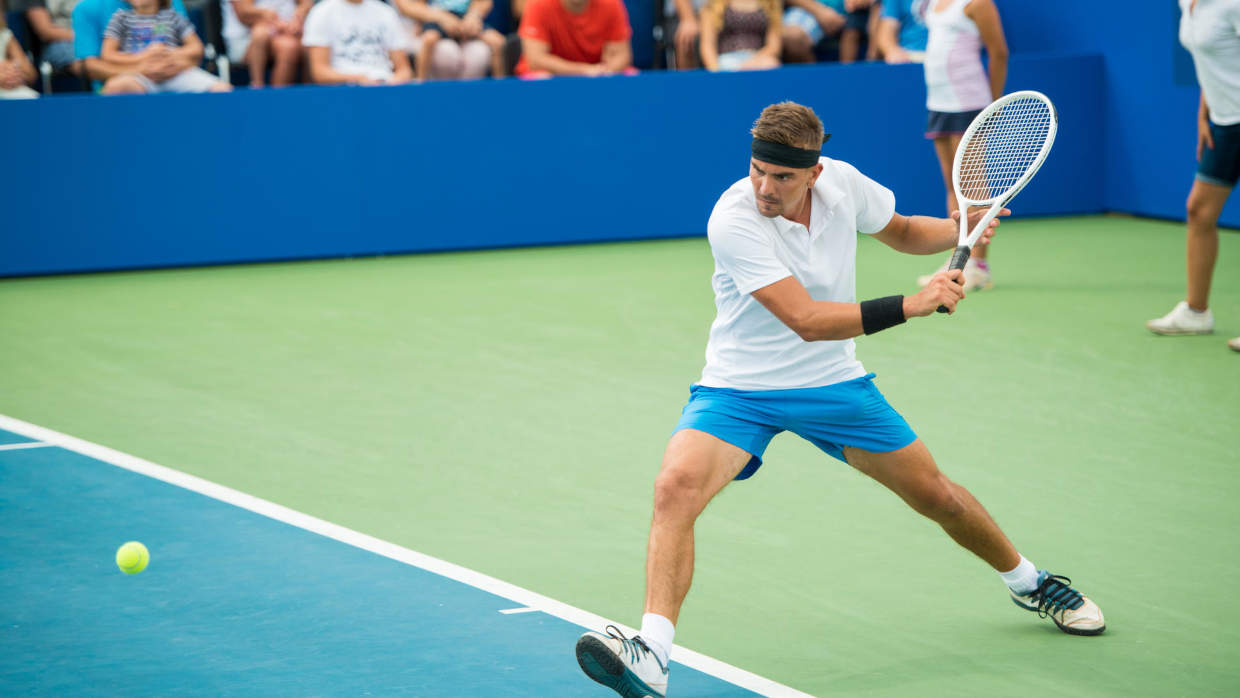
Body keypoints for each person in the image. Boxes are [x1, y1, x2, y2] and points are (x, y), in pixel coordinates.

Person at [573, 102, 1105, 698]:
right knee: (675, 487)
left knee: (937, 496)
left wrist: (961, 227)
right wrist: (912, 303)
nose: (765, 187)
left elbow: (901, 231)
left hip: (831, 385)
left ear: (814, 173)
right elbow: (803, 318)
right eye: (757, 171)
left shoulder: (843, 183)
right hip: (739, 388)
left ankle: (1028, 581)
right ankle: (653, 655)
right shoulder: (733, 219)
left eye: (782, 177)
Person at [1147, 0, 1240, 353]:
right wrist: (1206, 113)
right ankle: (1196, 312)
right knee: (1199, 210)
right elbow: (1212, 63)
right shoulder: (1186, 1)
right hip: (1224, 122)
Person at [915, 0, 1006, 292]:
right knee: (953, 186)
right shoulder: (930, 4)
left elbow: (999, 52)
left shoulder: (978, 3)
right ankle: (958, 259)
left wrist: (993, 103)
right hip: (938, 102)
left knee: (972, 186)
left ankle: (978, 265)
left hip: (969, 101)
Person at [97, 0, 232, 94]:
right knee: (115, 87)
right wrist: (144, 57)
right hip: (140, 76)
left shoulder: (173, 16)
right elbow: (108, 54)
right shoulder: (120, 18)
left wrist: (168, 54)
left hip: (175, 73)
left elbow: (197, 48)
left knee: (222, 89)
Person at [72, 0, 192, 87]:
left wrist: (170, 60)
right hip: (125, 89)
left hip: (175, 76)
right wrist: (142, 69)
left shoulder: (172, 3)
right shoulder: (87, 7)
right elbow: (90, 66)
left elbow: (193, 53)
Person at [302, 0, 413, 85]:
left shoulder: (386, 12)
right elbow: (319, 72)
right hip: (342, 90)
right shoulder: (322, 12)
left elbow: (404, 69)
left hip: (384, 86)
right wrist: (358, 79)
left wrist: (390, 83)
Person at [515, 0, 632, 77]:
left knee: (630, 76)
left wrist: (606, 71)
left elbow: (622, 55)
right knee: (541, 77)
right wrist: (584, 71)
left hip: (597, 73)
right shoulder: (538, 4)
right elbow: (536, 60)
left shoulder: (612, 4)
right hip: (552, 75)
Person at [406, 0, 506, 80]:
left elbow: (484, 3)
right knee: (429, 38)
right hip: (438, 17)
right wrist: (441, 18)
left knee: (498, 42)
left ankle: (501, 89)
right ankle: (419, 83)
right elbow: (415, 6)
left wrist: (474, 16)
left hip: (466, 19)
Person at [221, 0, 312, 88]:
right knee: (287, 47)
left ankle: (309, 94)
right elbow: (244, 13)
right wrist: (280, 24)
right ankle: (261, 89)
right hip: (245, 40)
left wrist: (298, 16)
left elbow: (305, 4)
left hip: (287, 33)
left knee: (306, 45)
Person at [697, 0, 780, 72]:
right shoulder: (714, 5)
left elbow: (773, 46)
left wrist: (751, 63)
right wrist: (716, 72)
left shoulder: (770, 4)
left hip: (758, 60)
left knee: (771, 64)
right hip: (725, 62)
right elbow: (707, 45)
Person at [782, 0, 873, 65]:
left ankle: (846, 79)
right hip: (808, 8)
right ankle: (816, 85)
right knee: (792, 38)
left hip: (856, 12)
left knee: (853, 33)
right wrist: (820, 12)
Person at [16, 0, 84, 77]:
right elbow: (46, 32)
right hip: (58, 43)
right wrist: (87, 37)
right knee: (86, 62)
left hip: (92, 36)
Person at [0, 6, 38, 98]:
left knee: (31, 97)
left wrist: (12, 72)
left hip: (10, 90)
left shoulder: (4, 35)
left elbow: (31, 74)